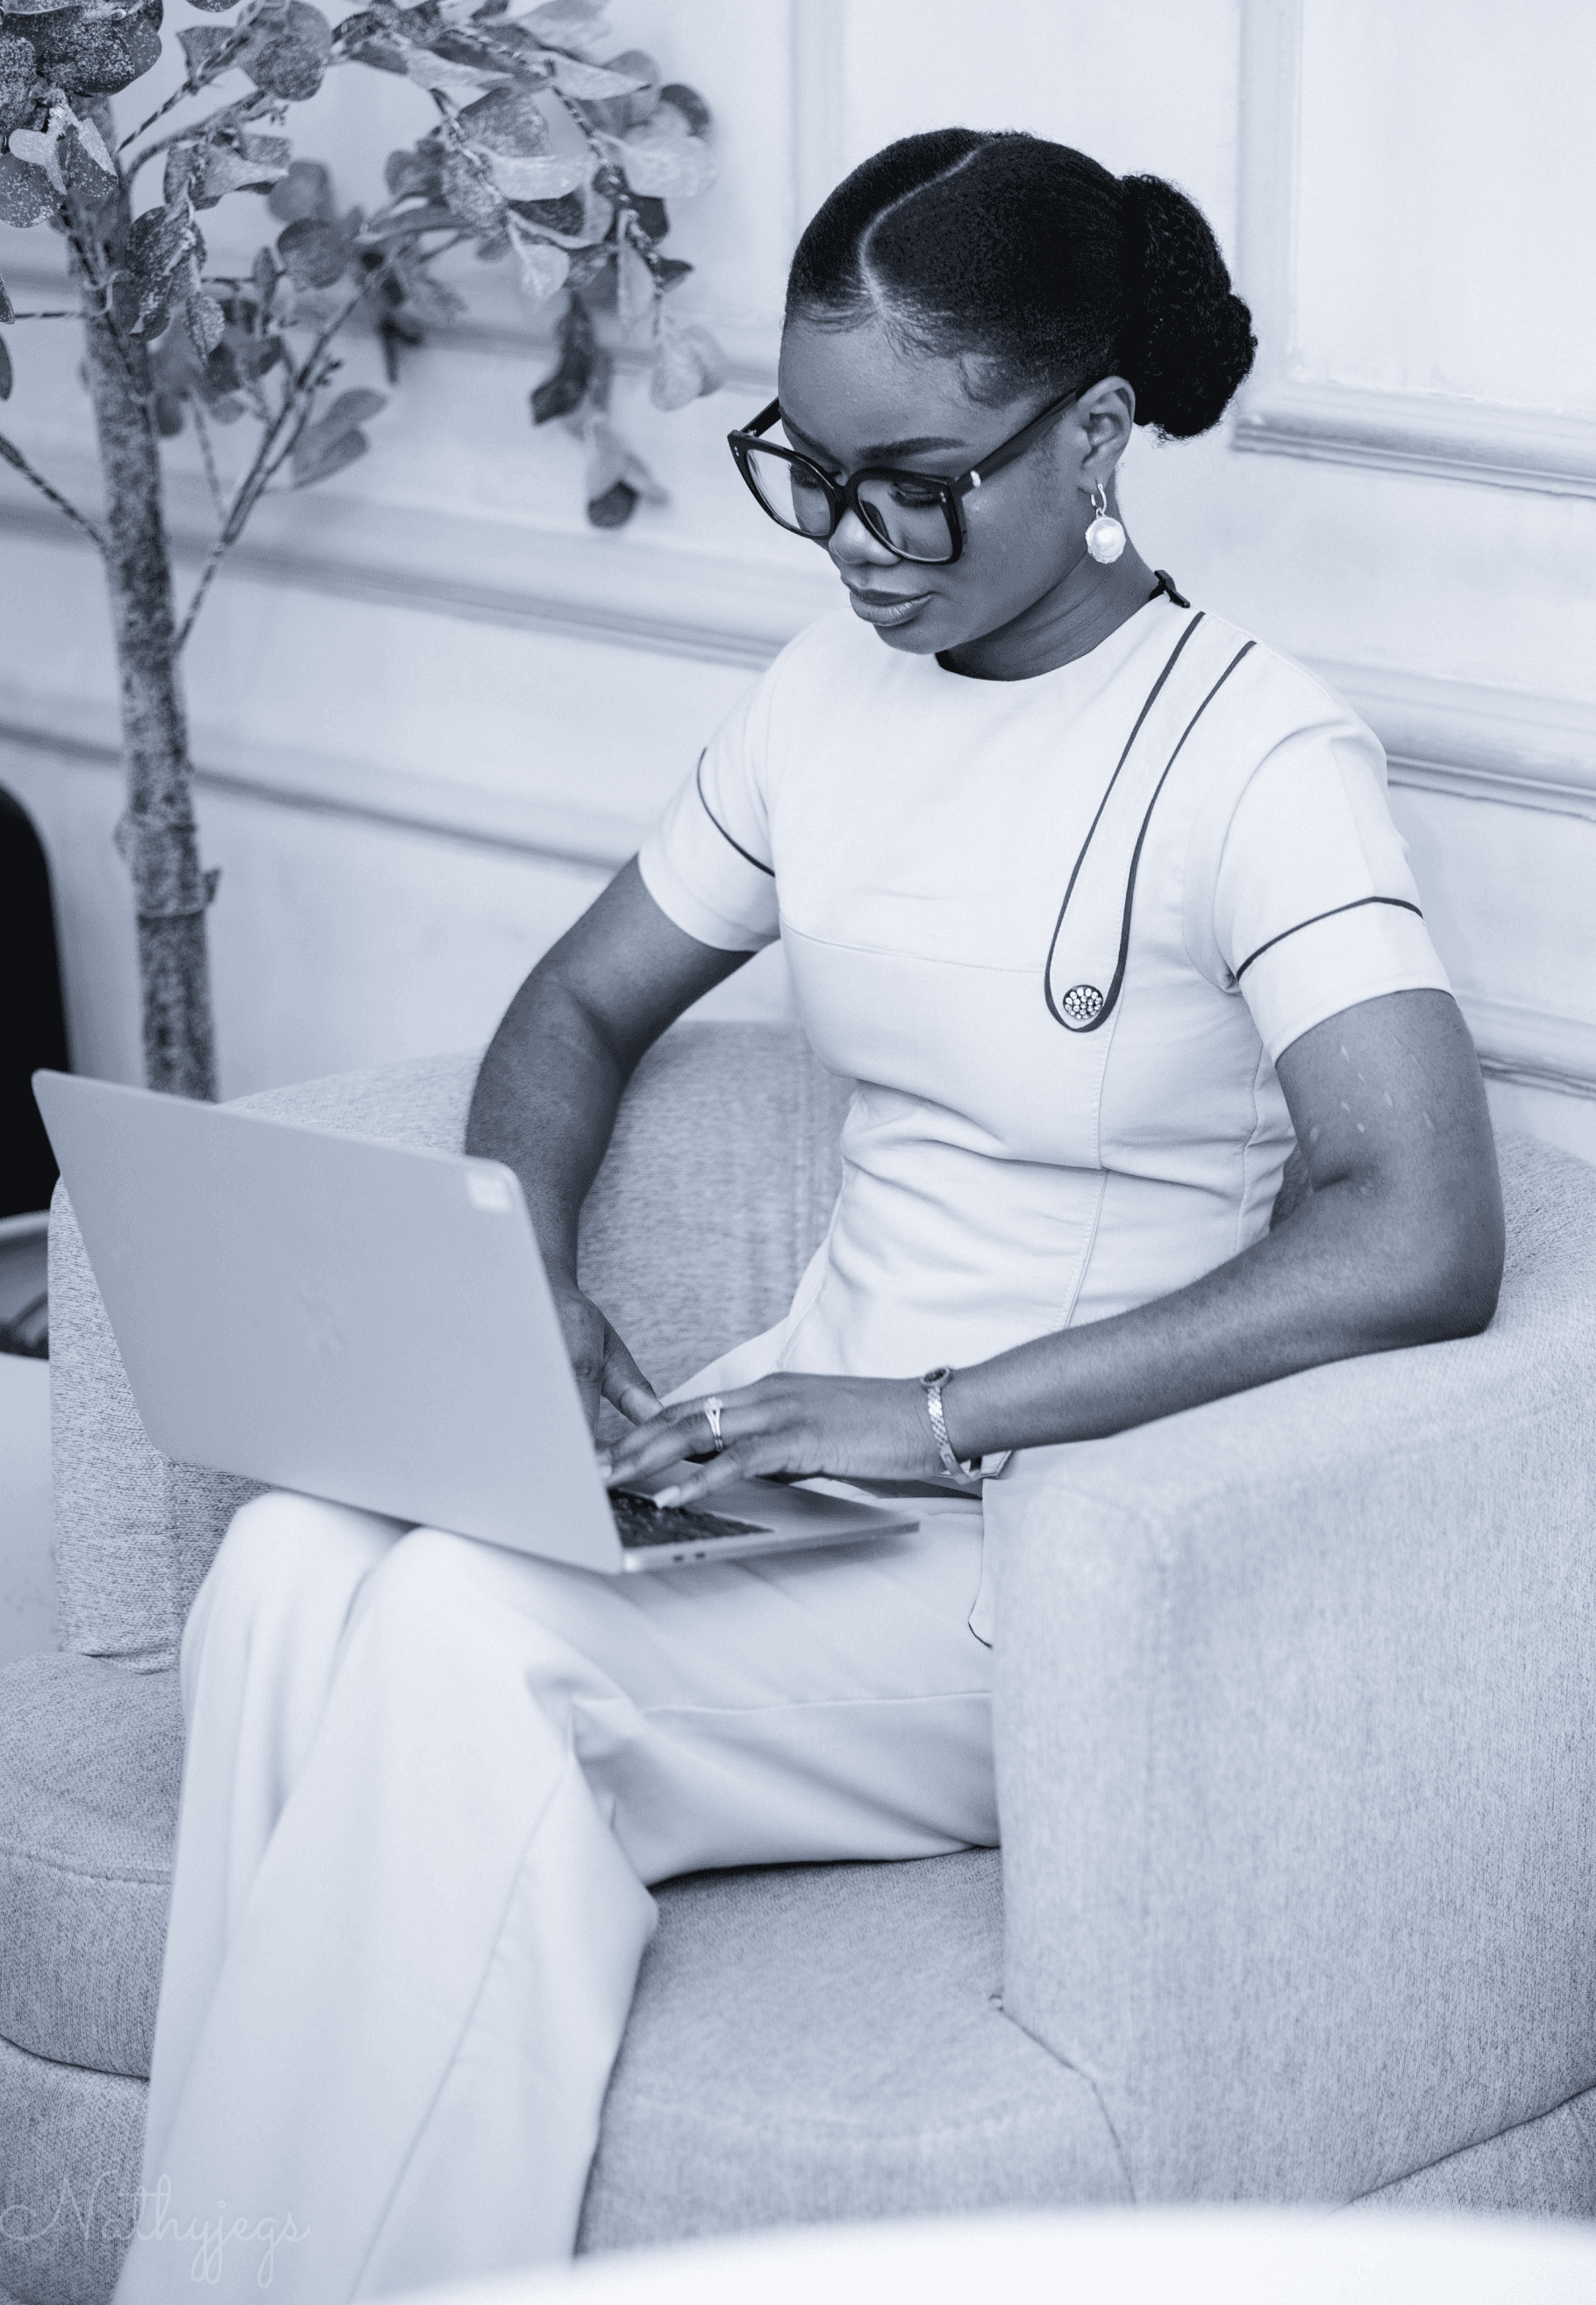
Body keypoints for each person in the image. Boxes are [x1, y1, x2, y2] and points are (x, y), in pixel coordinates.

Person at [115, 132, 1503, 2301]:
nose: (854, 540)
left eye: (916, 476)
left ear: (1097, 436)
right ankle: (233, 2257)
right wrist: (530, 1276)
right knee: (296, 1567)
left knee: (475, 1655)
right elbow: (579, 1000)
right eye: (809, 466)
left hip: (1051, 1558)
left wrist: (931, 1409)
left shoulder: (1259, 757)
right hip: (799, 1464)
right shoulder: (821, 698)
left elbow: (1421, 1225)